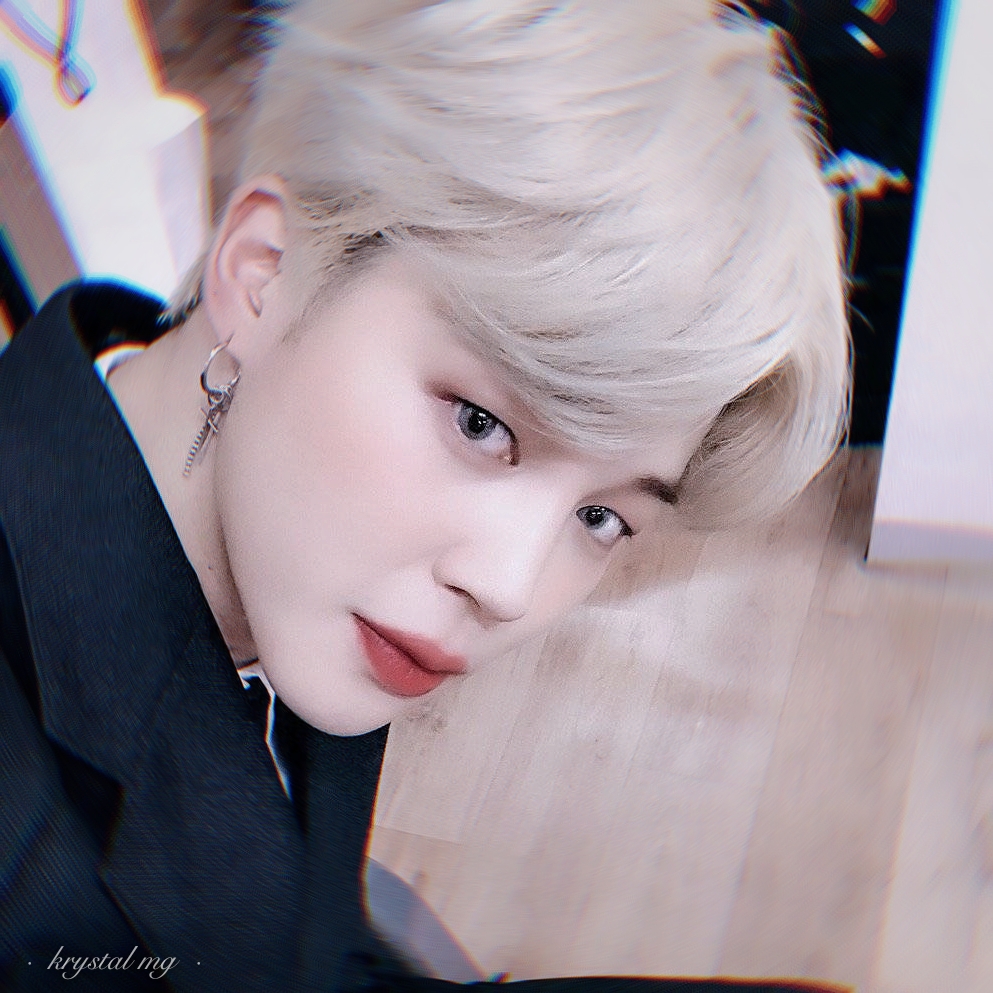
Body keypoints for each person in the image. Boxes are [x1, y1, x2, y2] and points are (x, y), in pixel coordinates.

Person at [0, 0, 850, 990]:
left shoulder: (295, 546)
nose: (510, 588)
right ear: (264, 275)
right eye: (481, 423)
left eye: (601, 517)